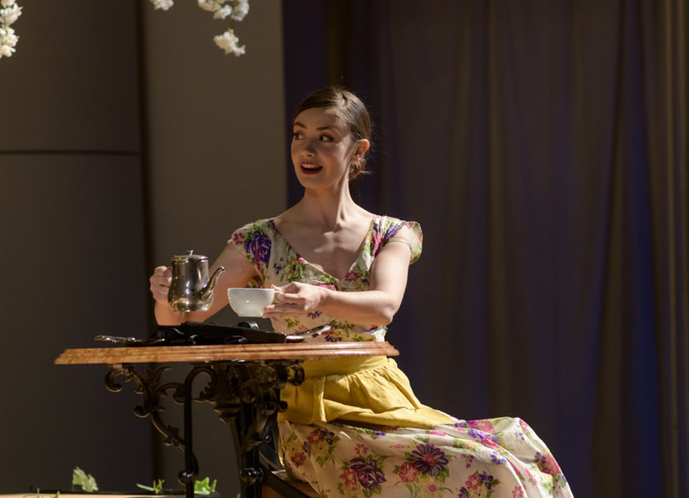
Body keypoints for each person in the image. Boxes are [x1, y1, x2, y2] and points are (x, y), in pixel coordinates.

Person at [150, 86, 572, 497]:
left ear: (358, 151)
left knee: (521, 455)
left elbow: (384, 306)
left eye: (325, 138)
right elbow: (185, 318)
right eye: (298, 135)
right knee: (490, 470)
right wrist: (165, 295)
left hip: (384, 402)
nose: (306, 150)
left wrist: (320, 298)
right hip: (312, 419)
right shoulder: (260, 240)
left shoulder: (390, 233)